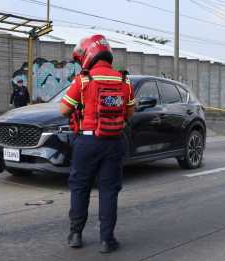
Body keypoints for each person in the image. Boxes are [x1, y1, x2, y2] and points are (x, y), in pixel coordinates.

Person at [59, 34, 135, 254]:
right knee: (109, 190)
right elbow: (129, 112)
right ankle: (107, 240)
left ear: (89, 54)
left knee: (80, 188)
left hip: (87, 141)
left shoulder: (83, 80)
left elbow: (63, 110)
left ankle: (75, 235)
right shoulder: (123, 80)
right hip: (114, 141)